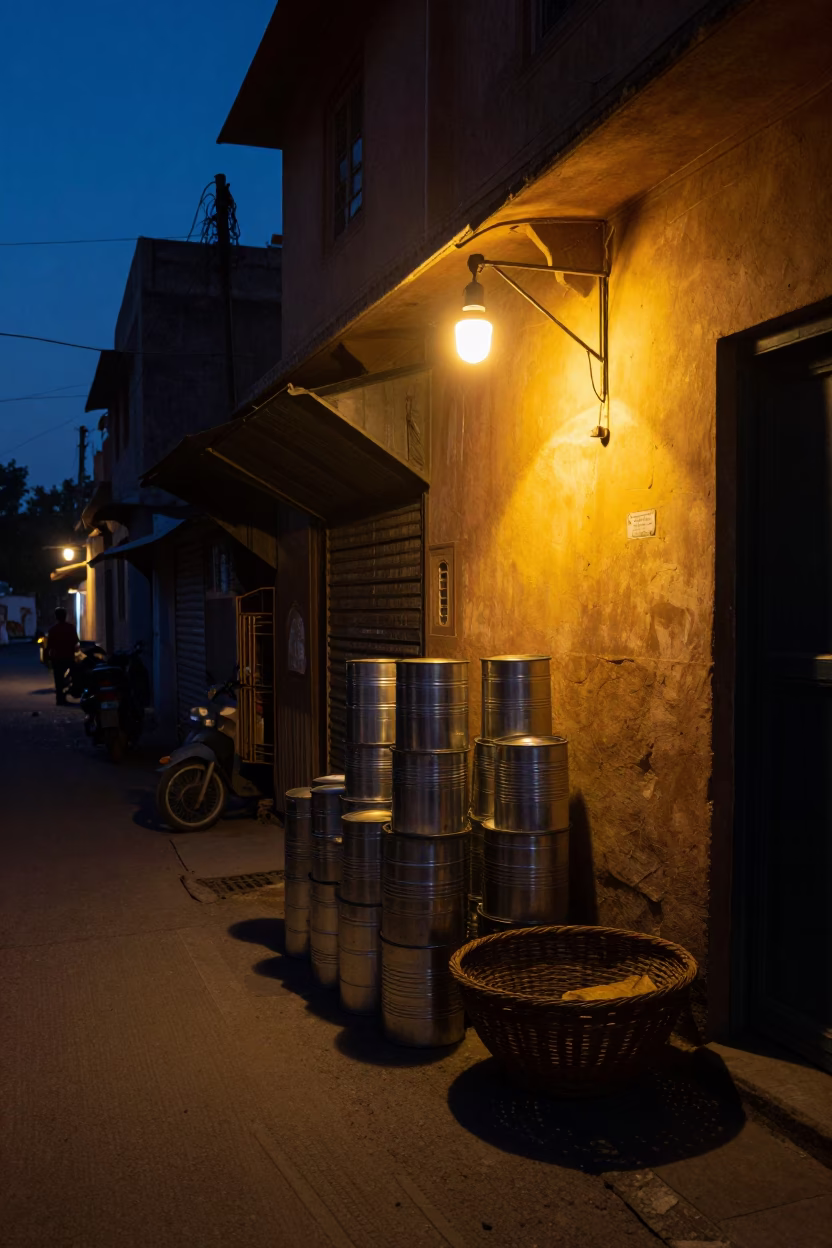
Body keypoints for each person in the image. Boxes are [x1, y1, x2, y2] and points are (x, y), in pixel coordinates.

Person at [45, 607, 79, 705]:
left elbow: (49, 646)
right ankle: (73, 691)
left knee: (58, 680)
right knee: (75, 675)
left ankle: (60, 699)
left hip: (57, 658)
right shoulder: (70, 627)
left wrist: (48, 658)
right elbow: (75, 642)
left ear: (56, 617)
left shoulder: (53, 630)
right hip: (69, 657)